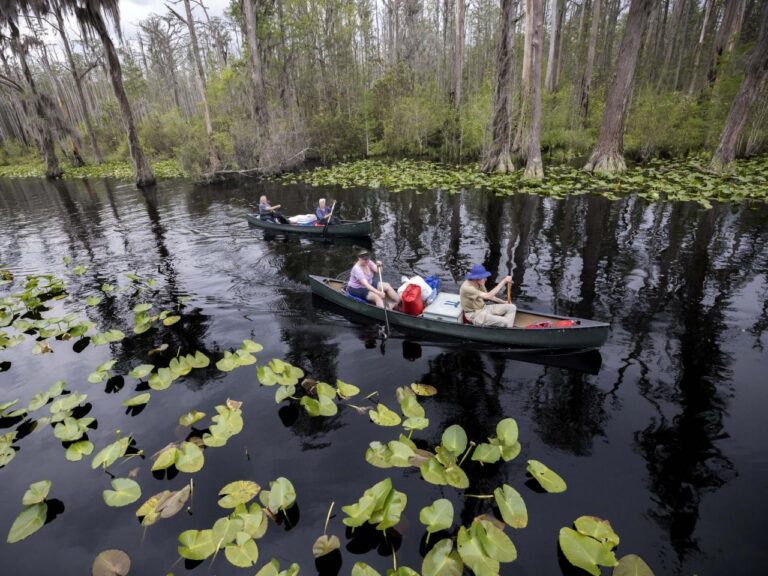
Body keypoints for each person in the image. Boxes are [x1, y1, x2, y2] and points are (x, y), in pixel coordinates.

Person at [459, 264, 516, 328]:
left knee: (512, 307)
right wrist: (504, 281)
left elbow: (490, 296)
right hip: (475, 314)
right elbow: (488, 296)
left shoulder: (480, 283)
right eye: (484, 277)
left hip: (484, 308)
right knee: (505, 322)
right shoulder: (467, 288)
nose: (486, 279)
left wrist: (503, 302)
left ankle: (507, 328)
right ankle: (507, 329)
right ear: (477, 278)